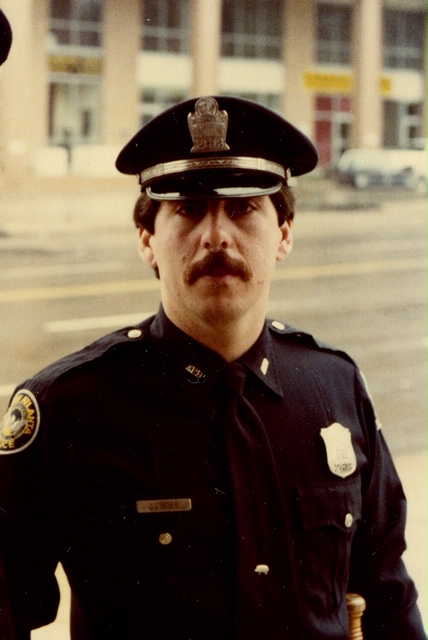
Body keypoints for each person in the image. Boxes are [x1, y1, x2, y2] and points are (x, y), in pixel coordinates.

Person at [0, 96, 426, 640]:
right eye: (188, 209)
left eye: (243, 209)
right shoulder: (69, 407)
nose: (216, 236)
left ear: (284, 234)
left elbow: (389, 597)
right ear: (148, 241)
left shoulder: (334, 389)